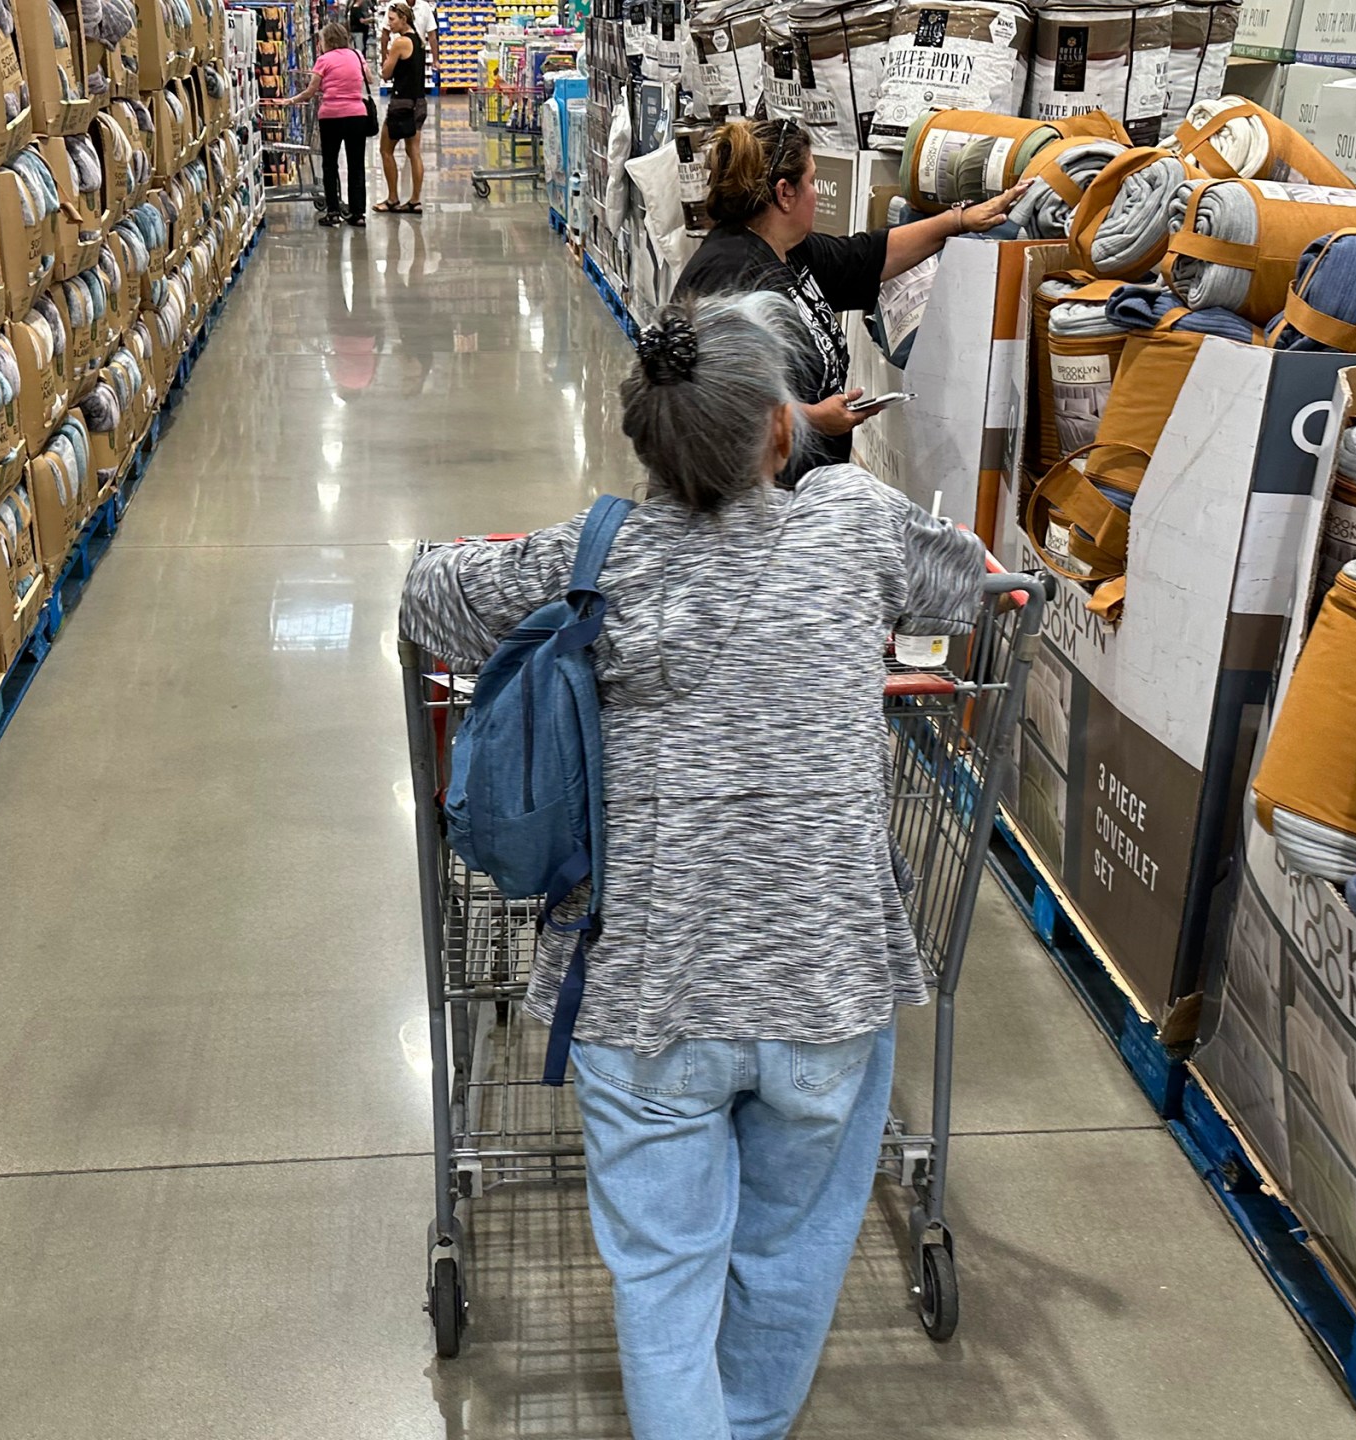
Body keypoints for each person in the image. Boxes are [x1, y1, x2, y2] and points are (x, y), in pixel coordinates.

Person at [398, 292, 993, 1440]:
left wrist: (443, 561)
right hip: (824, 984)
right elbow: (965, 584)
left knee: (664, 1283)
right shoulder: (856, 525)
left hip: (646, 991)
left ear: (648, 441)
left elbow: (434, 599)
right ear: (783, 432)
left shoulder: (593, 557)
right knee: (784, 1255)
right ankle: (755, 1422)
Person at [675, 116, 1025, 481]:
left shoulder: (787, 251)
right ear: (784, 192)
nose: (816, 193)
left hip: (803, 492)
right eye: (811, 181)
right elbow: (714, 403)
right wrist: (810, 419)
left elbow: (869, 256)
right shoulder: (730, 276)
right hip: (754, 507)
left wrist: (961, 220)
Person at [264, 24, 373, 227]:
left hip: (331, 117)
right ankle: (358, 214)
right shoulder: (357, 55)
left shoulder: (323, 60)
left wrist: (289, 101)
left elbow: (310, 91)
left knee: (330, 165)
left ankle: (333, 212)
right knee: (356, 165)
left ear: (328, 41)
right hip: (357, 116)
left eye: (321, 41)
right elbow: (370, 79)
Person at [373, 3, 428, 213]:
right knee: (414, 151)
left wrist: (387, 58)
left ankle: (393, 198)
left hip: (401, 104)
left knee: (385, 150)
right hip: (419, 103)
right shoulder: (418, 40)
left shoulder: (400, 43)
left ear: (404, 18)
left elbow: (385, 74)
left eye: (393, 19)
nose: (390, 23)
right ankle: (415, 200)